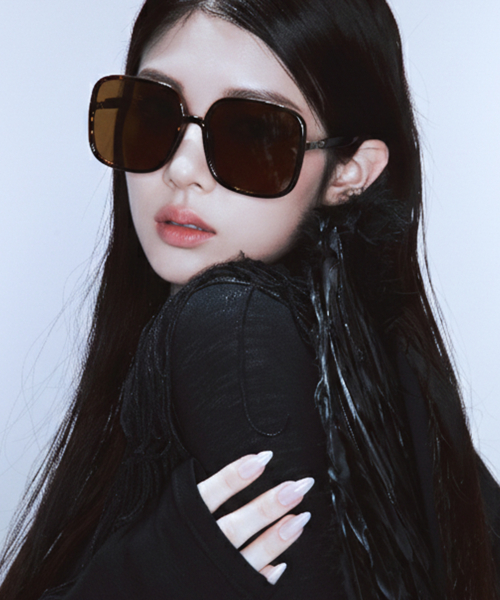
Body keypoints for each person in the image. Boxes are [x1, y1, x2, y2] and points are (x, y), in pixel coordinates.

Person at [1, 0, 499, 598]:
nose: (182, 169)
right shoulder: (386, 371)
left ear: (349, 172)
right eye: (154, 112)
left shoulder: (231, 325)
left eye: (253, 132)